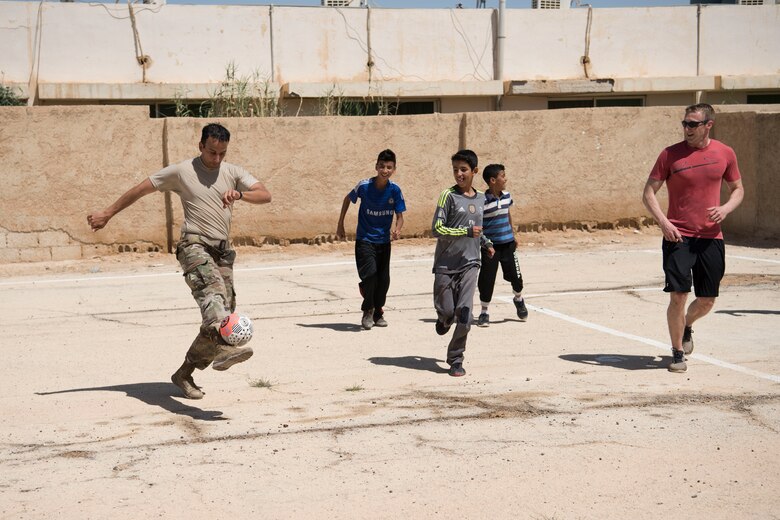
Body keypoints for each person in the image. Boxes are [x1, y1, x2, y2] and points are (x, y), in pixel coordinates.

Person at [87, 123, 272, 398]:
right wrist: (107, 213)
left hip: (222, 252)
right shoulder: (182, 171)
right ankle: (224, 351)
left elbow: (265, 195)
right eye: (211, 152)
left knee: (222, 314)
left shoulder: (232, 172)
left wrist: (239, 194)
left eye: (222, 153)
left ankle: (184, 373)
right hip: (194, 245)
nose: (217, 159)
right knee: (213, 297)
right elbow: (140, 189)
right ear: (201, 146)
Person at [642, 103, 744, 373]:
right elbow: (648, 193)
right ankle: (677, 352)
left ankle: (687, 325)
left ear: (708, 125)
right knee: (678, 294)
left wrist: (725, 209)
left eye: (692, 124)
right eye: (684, 123)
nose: (686, 128)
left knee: (708, 300)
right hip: (678, 236)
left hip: (711, 238)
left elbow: (738, 189)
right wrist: (664, 223)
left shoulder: (725, 153)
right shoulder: (669, 155)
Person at [432, 149, 494, 377]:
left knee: (465, 314)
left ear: (474, 171)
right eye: (455, 170)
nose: (459, 174)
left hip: (471, 263)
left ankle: (456, 359)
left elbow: (478, 228)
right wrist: (465, 232)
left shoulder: (480, 198)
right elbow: (436, 229)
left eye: (463, 170)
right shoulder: (447, 196)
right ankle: (444, 319)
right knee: (448, 311)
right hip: (446, 264)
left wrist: (486, 242)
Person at [336, 149, 406, 330]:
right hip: (365, 239)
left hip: (384, 242)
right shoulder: (364, 186)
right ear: (376, 166)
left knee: (384, 281)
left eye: (389, 167)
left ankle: (378, 311)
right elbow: (347, 199)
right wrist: (340, 224)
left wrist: (397, 230)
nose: (385, 170)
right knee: (371, 275)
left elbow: (400, 217)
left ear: (394, 169)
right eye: (382, 166)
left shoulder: (395, 190)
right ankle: (368, 310)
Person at [476, 163, 528, 327]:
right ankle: (484, 312)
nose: (505, 179)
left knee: (516, 275)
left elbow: (507, 214)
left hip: (508, 244)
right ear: (493, 180)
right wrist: (485, 243)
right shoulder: (482, 201)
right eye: (502, 176)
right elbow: (479, 225)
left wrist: (513, 235)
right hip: (490, 247)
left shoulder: (507, 196)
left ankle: (518, 298)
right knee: (486, 279)